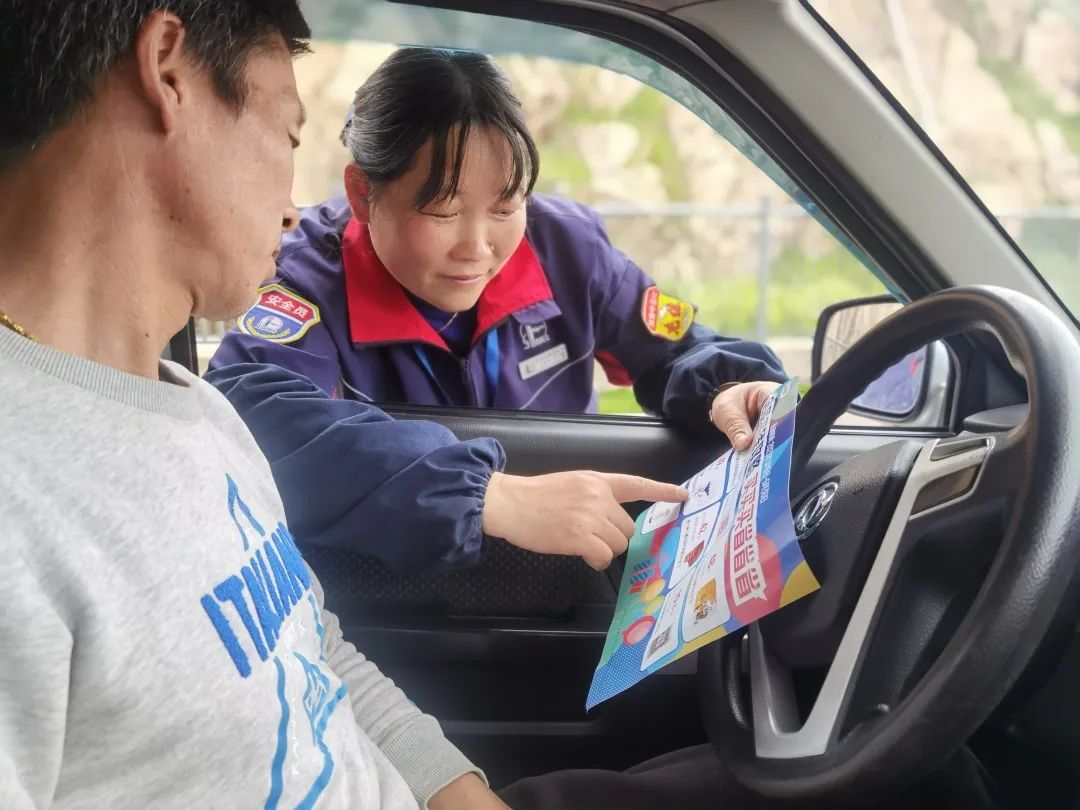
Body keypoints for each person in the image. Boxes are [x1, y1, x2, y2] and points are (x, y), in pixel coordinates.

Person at [0, 3, 504, 807]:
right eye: (288, 136)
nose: (293, 206)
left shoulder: (200, 411)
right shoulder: (20, 495)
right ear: (168, 71)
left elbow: (313, 653)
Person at [206, 47, 786, 573]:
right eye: (441, 210)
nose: (477, 247)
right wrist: (487, 494)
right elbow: (249, 413)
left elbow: (676, 346)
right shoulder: (306, 278)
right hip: (393, 596)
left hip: (566, 580)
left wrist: (727, 387)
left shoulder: (568, 250)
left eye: (506, 205)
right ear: (363, 193)